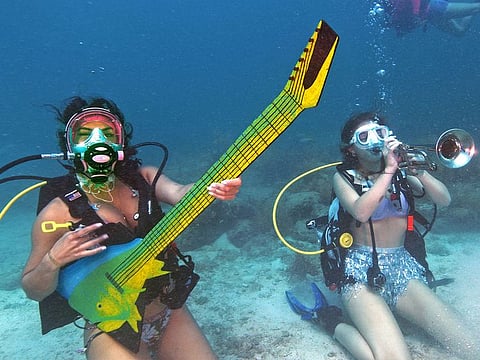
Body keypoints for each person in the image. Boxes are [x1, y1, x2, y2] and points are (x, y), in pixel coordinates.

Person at [21, 96, 242, 360]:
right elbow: (33, 290)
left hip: (169, 313)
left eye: (106, 133)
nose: (97, 142)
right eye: (84, 136)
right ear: (69, 146)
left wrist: (211, 188)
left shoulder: (144, 178)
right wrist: (52, 260)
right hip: (111, 328)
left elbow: (181, 192)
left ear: (120, 141)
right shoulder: (58, 211)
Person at [288, 112, 479, 359]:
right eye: (364, 136)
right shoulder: (343, 177)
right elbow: (361, 211)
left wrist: (416, 169)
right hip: (358, 273)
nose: (375, 140)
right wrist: (389, 170)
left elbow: (444, 199)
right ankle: (331, 321)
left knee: (468, 344)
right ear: (351, 149)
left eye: (379, 133)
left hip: (403, 268)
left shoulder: (401, 171)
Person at [380, 0, 480, 36]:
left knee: (475, 8)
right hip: (430, 16)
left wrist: (415, 15)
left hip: (434, 8)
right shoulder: (385, 5)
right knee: (460, 31)